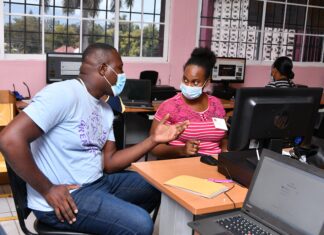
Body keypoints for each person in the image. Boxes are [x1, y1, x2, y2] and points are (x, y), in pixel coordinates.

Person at [0, 43, 189, 235]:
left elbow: (109, 163)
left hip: (97, 182)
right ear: (103, 69)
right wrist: (48, 190)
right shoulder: (63, 94)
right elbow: (9, 140)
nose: (123, 75)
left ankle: (112, 223)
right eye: (120, 69)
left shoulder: (105, 109)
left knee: (155, 186)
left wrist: (153, 140)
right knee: (141, 224)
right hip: (67, 196)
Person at [150, 47, 227, 159]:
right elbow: (153, 147)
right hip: (182, 162)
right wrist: (182, 150)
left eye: (195, 82)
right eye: (185, 80)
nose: (189, 85)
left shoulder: (216, 104)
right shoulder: (170, 106)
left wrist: (225, 148)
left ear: (207, 82)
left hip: (215, 162)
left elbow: (224, 137)